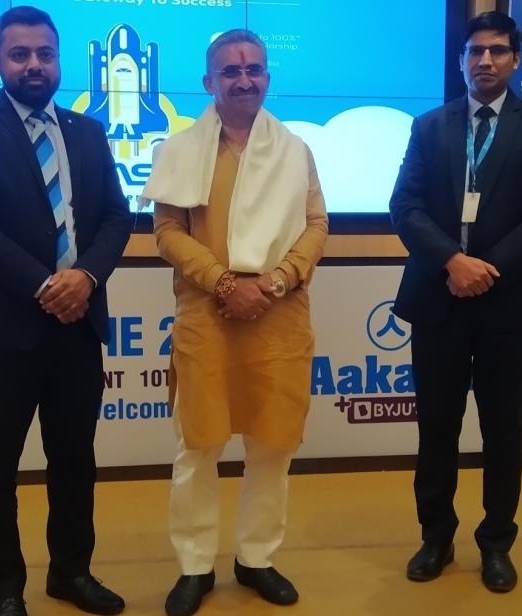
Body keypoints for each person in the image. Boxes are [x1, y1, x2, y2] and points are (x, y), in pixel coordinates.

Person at [0, 6, 131, 616]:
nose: (34, 65)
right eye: (19, 54)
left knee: (75, 461)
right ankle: (4, 590)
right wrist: (48, 286)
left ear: (58, 60)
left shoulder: (87, 131)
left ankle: (71, 573)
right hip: (0, 330)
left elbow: (116, 217)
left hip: (78, 327)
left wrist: (86, 277)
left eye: (44, 53)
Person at [141, 29, 328, 616]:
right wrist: (225, 283)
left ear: (268, 76)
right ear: (209, 82)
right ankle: (195, 566)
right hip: (208, 312)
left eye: (254, 69)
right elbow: (167, 232)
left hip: (279, 313)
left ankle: (256, 558)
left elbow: (316, 225)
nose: (244, 79)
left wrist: (274, 282)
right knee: (198, 447)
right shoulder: (179, 149)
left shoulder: (295, 150)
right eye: (231, 71)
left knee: (272, 444)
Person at [388, 11, 522, 593]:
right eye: (475, 51)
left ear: (515, 60)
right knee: (436, 428)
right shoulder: (429, 126)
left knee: (504, 430)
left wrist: (485, 270)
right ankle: (436, 538)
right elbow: (405, 206)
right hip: (438, 298)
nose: (485, 60)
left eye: (496, 51)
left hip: (508, 304)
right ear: (461, 60)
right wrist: (452, 262)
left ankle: (496, 543)